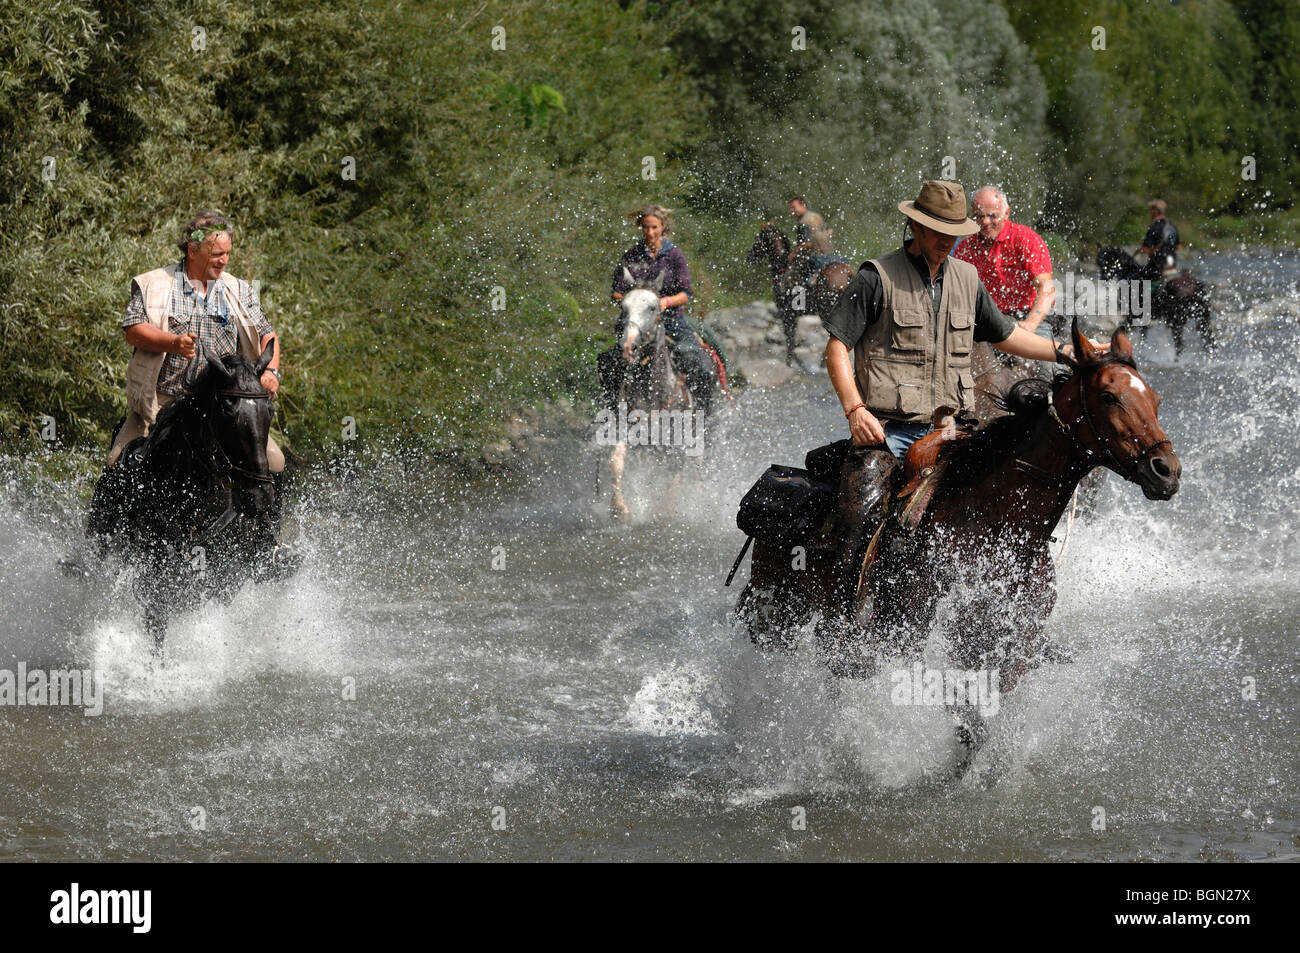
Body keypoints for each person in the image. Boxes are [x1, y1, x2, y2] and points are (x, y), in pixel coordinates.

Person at [820, 180, 1096, 621]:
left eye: (954, 231)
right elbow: (836, 347)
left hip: (953, 429)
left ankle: (1015, 617)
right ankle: (843, 621)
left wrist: (1068, 353)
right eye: (936, 230)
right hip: (888, 431)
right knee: (861, 508)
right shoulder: (876, 276)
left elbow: (1008, 335)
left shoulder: (968, 279)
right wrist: (855, 411)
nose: (946, 239)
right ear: (914, 225)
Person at [599, 204, 714, 415]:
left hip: (671, 322)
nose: (649, 232)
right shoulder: (631, 256)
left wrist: (665, 302)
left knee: (700, 365)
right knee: (607, 363)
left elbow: (686, 293)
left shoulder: (675, 256)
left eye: (654, 227)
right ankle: (611, 414)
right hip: (637, 324)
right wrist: (632, 301)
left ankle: (704, 418)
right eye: (645, 227)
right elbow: (616, 291)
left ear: (663, 227)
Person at [1137, 199, 1180, 280]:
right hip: (1172, 266)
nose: (1150, 213)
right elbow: (1178, 247)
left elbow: (1146, 250)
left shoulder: (1154, 227)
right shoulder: (1172, 226)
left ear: (1155, 212)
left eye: (1150, 211)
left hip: (1157, 268)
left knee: (1134, 278)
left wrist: (1140, 250)